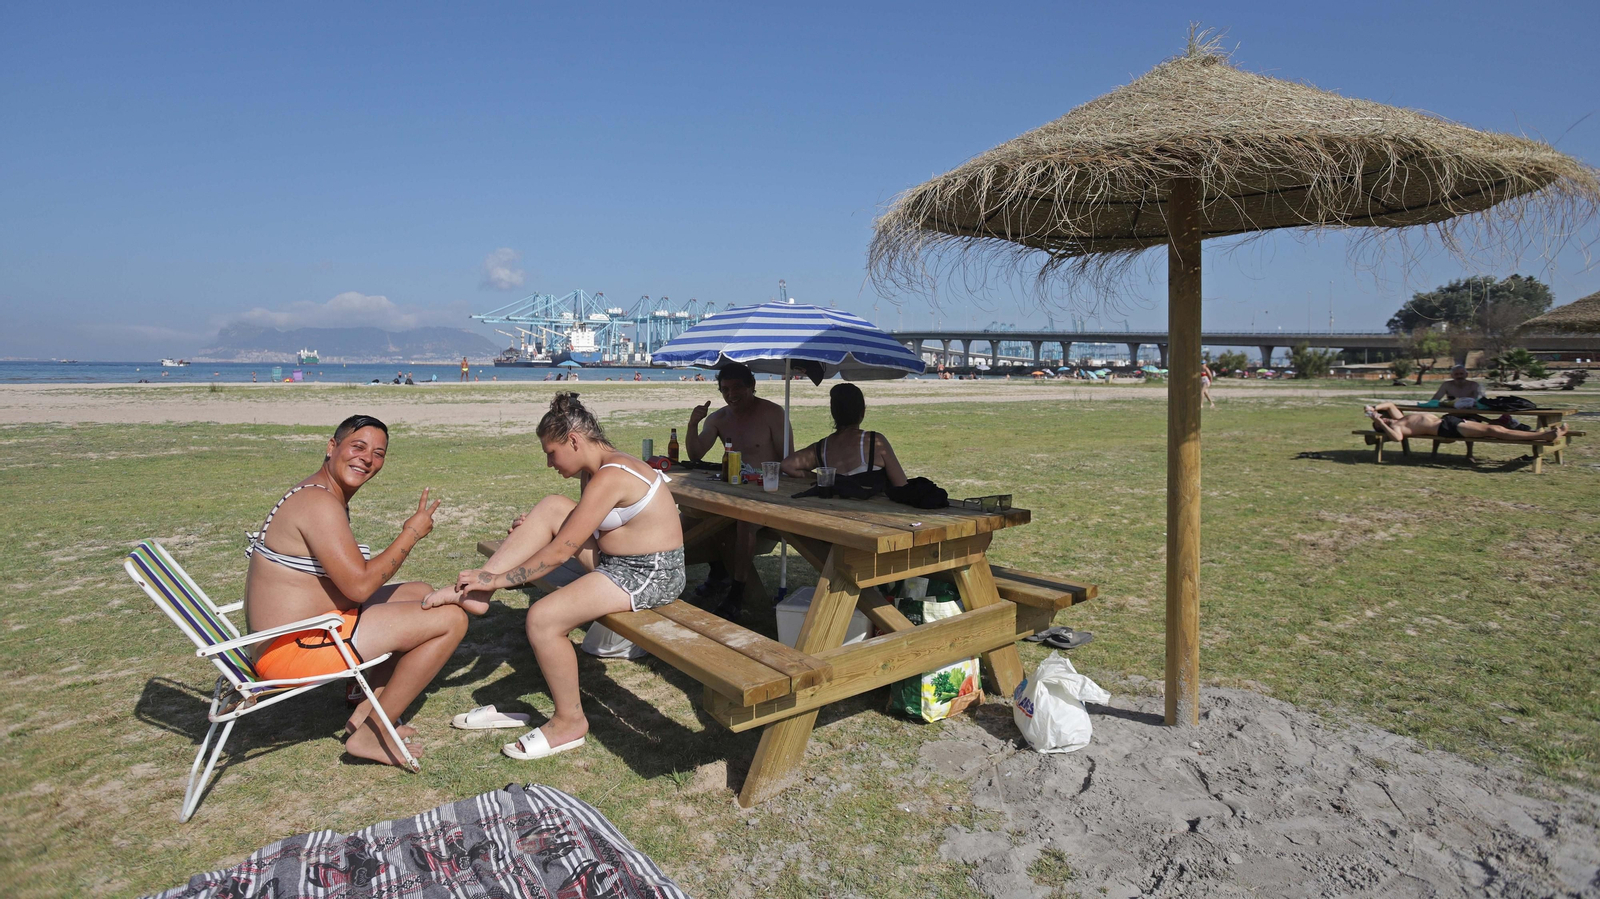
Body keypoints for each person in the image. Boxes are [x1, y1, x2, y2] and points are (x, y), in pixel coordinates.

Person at [428, 393, 684, 760]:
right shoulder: (595, 470)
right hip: (618, 560)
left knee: (543, 618)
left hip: (651, 573)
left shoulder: (613, 475)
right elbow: (584, 532)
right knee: (550, 507)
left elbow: (563, 549)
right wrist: (533, 531)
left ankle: (569, 722)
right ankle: (478, 590)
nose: (549, 462)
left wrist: (504, 580)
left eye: (551, 452)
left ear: (574, 441)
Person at [244, 415, 468, 768]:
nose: (368, 458)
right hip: (289, 651)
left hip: (302, 630)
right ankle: (371, 734)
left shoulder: (317, 493)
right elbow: (360, 586)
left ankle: (366, 706)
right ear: (332, 447)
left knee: (422, 591)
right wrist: (411, 532)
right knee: (451, 619)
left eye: (378, 453)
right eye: (358, 447)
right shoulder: (319, 504)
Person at [684, 363, 792, 620]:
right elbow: (696, 454)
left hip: (765, 494)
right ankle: (718, 571)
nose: (731, 394)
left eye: (737, 388)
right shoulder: (719, 418)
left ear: (752, 386)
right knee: (689, 514)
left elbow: (787, 460)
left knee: (743, 523)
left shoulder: (773, 413)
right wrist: (692, 425)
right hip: (730, 490)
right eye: (725, 389)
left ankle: (738, 592)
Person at [781, 383, 909, 488]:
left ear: (833, 413)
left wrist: (824, 477)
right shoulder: (875, 442)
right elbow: (902, 484)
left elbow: (788, 465)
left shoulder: (821, 448)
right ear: (862, 412)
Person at [1365, 403, 1567, 456]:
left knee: (1494, 427)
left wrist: (1373, 409)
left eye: (1382, 418)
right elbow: (1396, 439)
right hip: (1447, 429)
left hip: (1449, 421)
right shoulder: (1397, 428)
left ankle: (1543, 434)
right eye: (1379, 421)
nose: (1382, 418)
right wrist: (1381, 423)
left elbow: (1389, 404)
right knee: (1495, 431)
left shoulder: (1399, 417)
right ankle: (1543, 435)